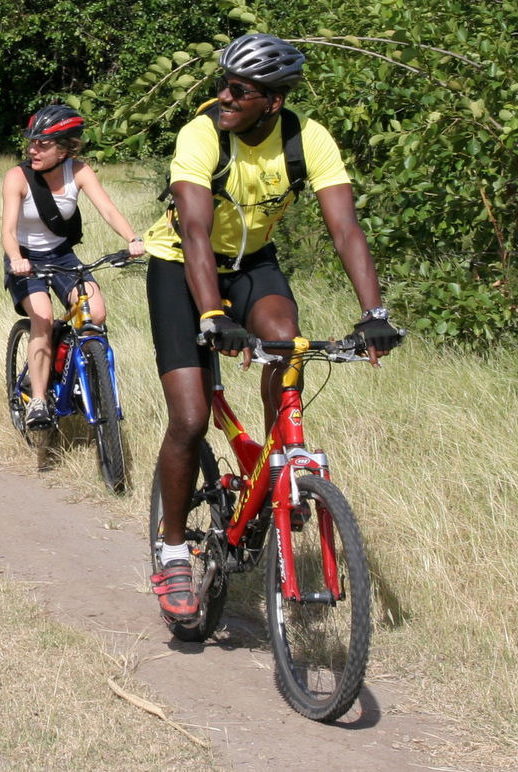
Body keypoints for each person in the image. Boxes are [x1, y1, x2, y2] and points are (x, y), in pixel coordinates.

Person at [142, 34, 403, 621]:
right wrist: (213, 316)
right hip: (181, 265)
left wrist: (374, 314)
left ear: (273, 102)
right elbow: (196, 230)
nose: (224, 96)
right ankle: (174, 547)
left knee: (286, 342)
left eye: (240, 90)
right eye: (222, 83)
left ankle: (279, 466)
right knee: (190, 416)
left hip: (254, 264)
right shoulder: (202, 132)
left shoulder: (308, 140)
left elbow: (345, 229)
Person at [1, 104, 145, 427]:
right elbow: (8, 231)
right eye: (31, 142)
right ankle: (38, 400)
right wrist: (16, 260)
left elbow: (108, 209)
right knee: (43, 316)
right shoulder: (17, 178)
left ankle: (78, 374)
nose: (32, 149)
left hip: (61, 255)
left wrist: (132, 239)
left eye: (43, 144)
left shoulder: (79, 172)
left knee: (95, 311)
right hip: (25, 257)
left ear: (65, 149)